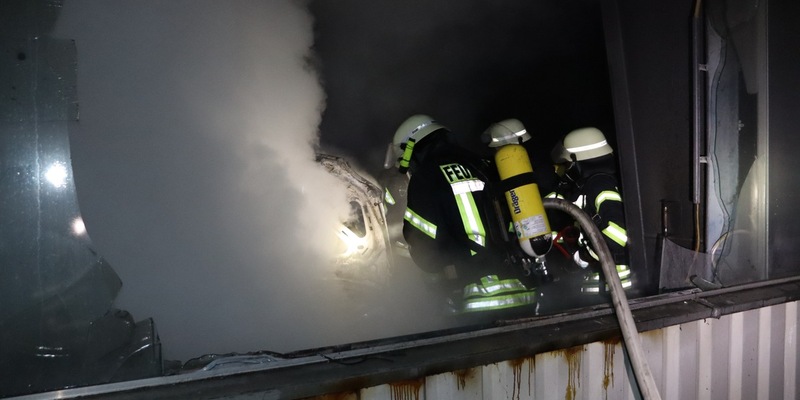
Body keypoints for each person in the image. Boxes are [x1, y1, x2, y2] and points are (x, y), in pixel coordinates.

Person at [387, 114, 537, 315]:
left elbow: (424, 247)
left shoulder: (426, 176)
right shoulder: (481, 164)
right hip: (523, 293)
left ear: (410, 150)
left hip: (477, 301)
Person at [547, 127, 634, 297]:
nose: (563, 172)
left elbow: (618, 232)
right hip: (604, 286)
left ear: (577, 162)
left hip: (613, 288)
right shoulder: (591, 186)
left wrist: (582, 258)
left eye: (565, 165)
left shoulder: (600, 184)